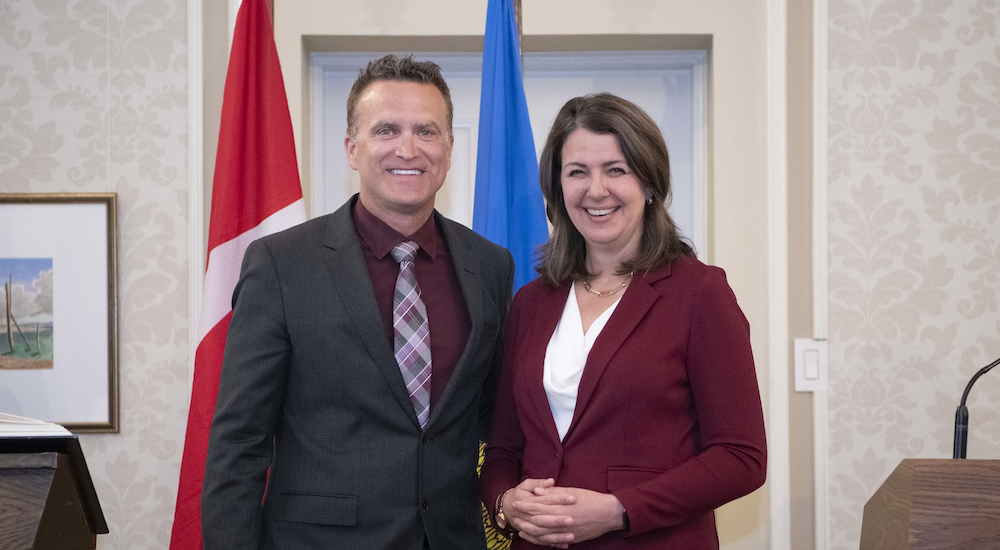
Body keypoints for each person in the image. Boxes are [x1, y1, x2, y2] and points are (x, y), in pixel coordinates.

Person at [202, 54, 514, 550]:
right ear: (352, 147)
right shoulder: (281, 265)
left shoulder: (491, 266)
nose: (408, 149)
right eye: (387, 130)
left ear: (450, 149)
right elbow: (238, 445)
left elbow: (494, 418)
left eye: (427, 132)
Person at [480, 93, 766, 549]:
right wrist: (505, 504)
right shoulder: (531, 303)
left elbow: (741, 457)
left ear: (649, 184)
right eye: (577, 172)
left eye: (616, 170)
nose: (596, 190)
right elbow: (503, 450)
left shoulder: (699, 293)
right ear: (557, 190)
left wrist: (620, 511)